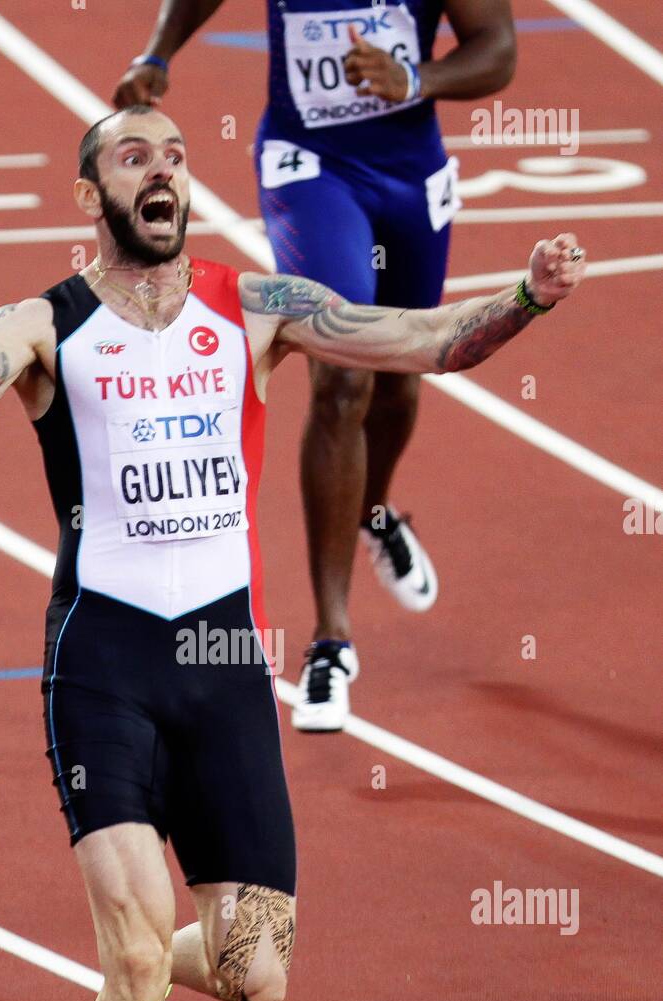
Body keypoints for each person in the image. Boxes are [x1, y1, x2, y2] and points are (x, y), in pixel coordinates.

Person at [0, 106, 584, 1001]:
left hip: (222, 662)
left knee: (256, 972)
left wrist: (521, 298)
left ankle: (136, 979)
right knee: (127, 942)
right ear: (89, 197)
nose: (159, 170)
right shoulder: (44, 324)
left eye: (170, 153)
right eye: (130, 157)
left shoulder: (255, 309)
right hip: (102, 661)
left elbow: (421, 340)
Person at [114, 0, 517, 729]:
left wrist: (413, 77)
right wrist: (158, 55)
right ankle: (332, 641)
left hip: (409, 175)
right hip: (310, 170)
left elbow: (498, 50)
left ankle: (373, 512)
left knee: (400, 377)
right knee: (340, 373)